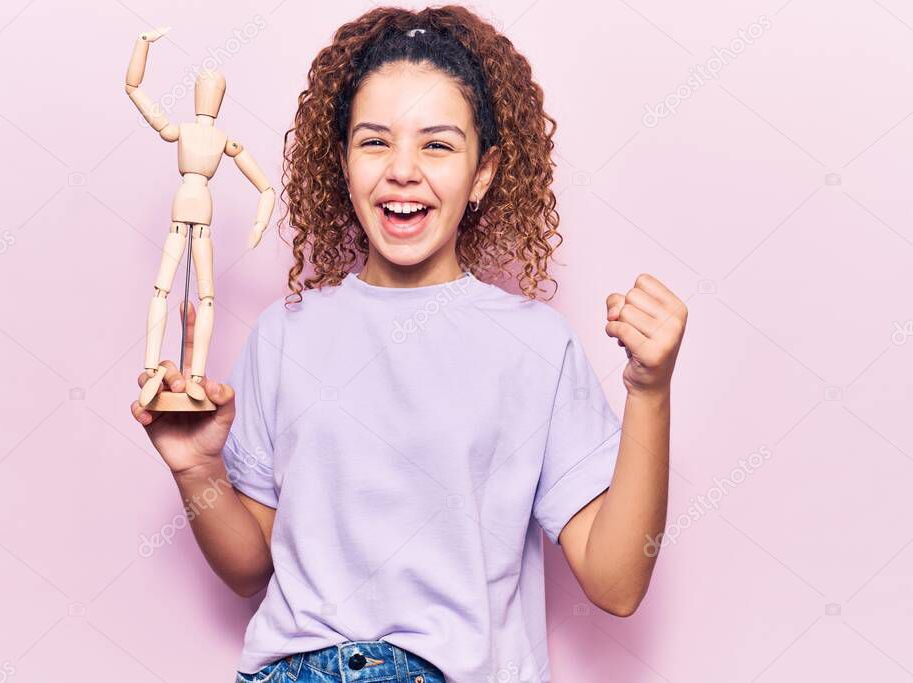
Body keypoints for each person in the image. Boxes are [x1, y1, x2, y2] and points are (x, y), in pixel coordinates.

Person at [131, 6, 687, 682]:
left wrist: (650, 391)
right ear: (341, 162)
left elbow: (617, 582)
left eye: (437, 144)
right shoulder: (286, 332)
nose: (402, 170)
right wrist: (197, 470)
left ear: (484, 173)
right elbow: (251, 568)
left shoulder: (533, 343)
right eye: (374, 142)